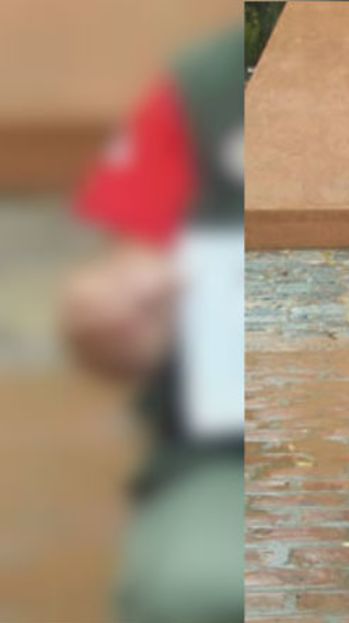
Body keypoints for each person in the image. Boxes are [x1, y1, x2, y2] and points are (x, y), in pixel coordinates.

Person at [61, 27, 244, 623]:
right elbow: (134, 266)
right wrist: (112, 315)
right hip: (214, 449)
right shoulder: (203, 86)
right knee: (196, 591)